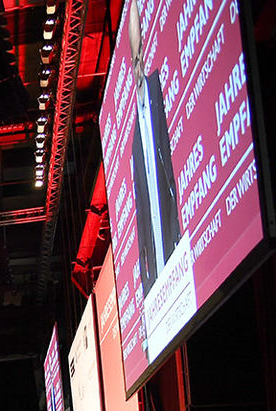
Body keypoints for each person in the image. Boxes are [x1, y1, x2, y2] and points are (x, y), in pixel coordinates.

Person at [127, 4, 181, 298]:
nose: (137, 68)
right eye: (132, 60)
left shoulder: (162, 95)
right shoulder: (134, 141)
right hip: (157, 282)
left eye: (139, 57)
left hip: (177, 247)